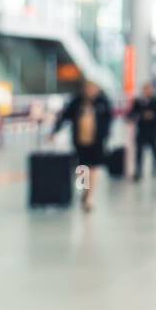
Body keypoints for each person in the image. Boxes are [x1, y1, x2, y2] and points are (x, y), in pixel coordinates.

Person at [53, 80, 113, 212]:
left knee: (93, 167)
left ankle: (90, 196)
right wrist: (55, 131)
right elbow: (65, 116)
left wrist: (106, 135)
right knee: (82, 167)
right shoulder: (77, 102)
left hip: (97, 141)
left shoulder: (103, 102)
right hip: (80, 140)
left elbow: (108, 120)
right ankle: (83, 191)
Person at [128, 81, 156, 181]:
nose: (148, 91)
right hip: (141, 130)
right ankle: (138, 170)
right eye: (146, 89)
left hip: (153, 130)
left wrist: (153, 116)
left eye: (149, 89)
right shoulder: (138, 101)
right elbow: (131, 114)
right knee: (139, 151)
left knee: (155, 149)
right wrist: (140, 116)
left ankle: (155, 167)